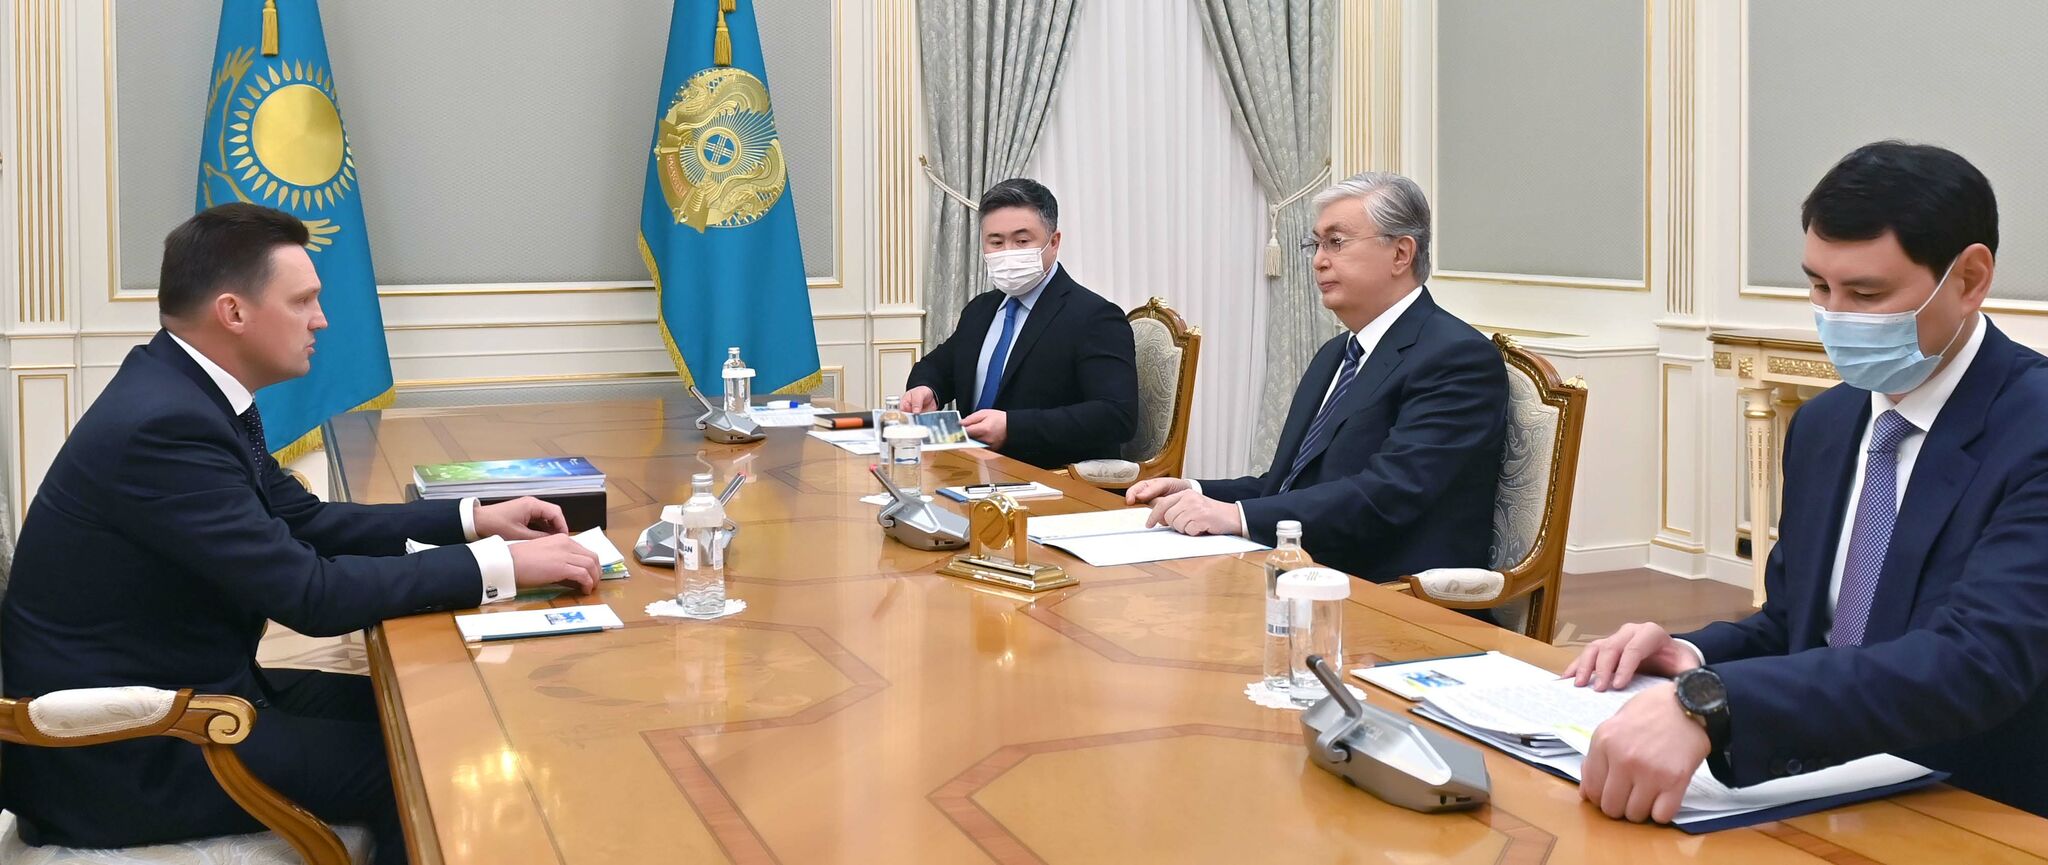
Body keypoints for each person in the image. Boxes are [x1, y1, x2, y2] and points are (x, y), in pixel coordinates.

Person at [0, 203, 602, 863]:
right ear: (233, 312)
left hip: (197, 696)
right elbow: (310, 595)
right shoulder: (165, 425)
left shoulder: (185, 390)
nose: (321, 319)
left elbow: (305, 520)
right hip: (125, 751)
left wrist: (473, 520)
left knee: (443, 705)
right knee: (425, 761)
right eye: (303, 300)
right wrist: (501, 567)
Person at [1567, 141, 2048, 822]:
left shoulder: (2033, 429)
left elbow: (1977, 662)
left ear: (1969, 279)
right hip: (1817, 782)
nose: (1834, 317)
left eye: (1866, 293)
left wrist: (1716, 705)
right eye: (1819, 287)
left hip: (1973, 804)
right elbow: (1798, 624)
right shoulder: (1827, 423)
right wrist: (1693, 655)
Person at [1125, 172, 1506, 583]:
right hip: (1305, 571)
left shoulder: (1456, 357)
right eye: (1317, 244)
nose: (1319, 260)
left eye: (1336, 242)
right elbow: (1289, 486)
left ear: (1401, 254)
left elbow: (1389, 494)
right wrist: (1198, 491)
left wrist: (1236, 516)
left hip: (1386, 592)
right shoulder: (1335, 353)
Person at [902, 178, 1138, 468]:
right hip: (968, 468)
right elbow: (940, 366)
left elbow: (1116, 416)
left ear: (1054, 242)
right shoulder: (980, 309)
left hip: (1049, 478)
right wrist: (928, 389)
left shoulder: (1095, 317)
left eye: (1022, 241)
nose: (1008, 252)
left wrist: (1012, 428)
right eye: (996, 242)